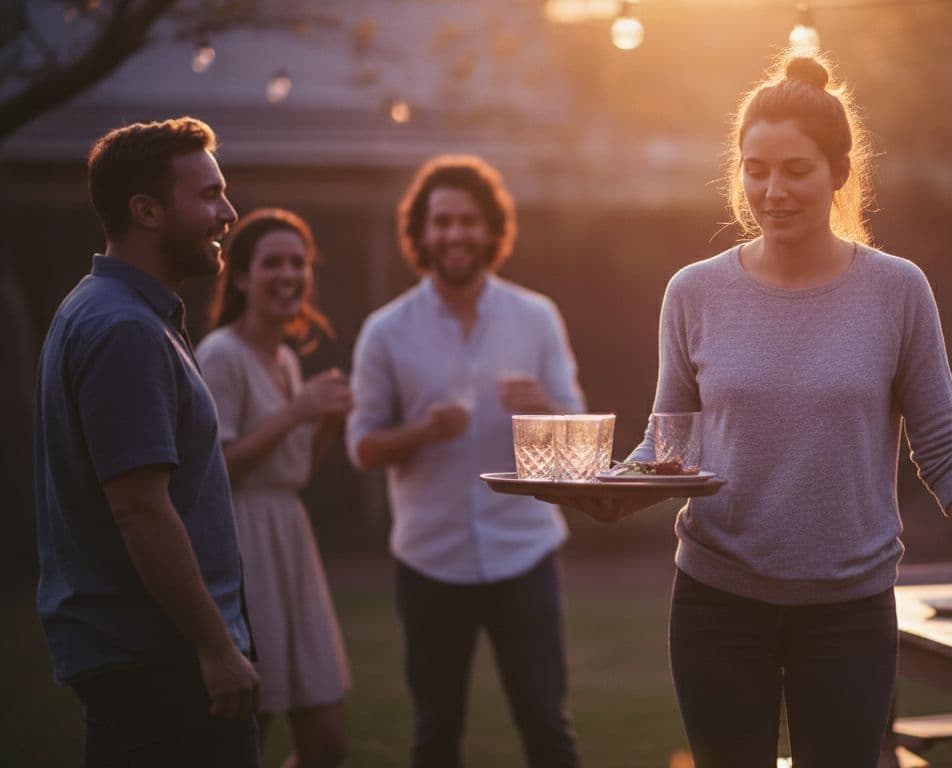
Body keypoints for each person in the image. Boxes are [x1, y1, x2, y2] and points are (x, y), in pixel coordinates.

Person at [586, 55, 952, 767]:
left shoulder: (897, 291)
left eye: (794, 169)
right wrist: (612, 490)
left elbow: (944, 443)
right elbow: (670, 442)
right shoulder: (693, 293)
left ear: (839, 172)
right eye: (754, 168)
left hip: (849, 611)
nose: (772, 190)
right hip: (718, 602)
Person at [33, 117, 261, 766]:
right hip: (160, 664)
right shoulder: (123, 329)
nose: (228, 212)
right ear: (147, 211)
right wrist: (218, 648)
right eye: (210, 195)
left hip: (147, 657)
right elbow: (139, 508)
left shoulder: (111, 310)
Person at [346, 155, 584, 768]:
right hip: (430, 559)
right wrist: (419, 433)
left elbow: (580, 439)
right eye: (442, 222)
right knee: (435, 732)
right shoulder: (386, 330)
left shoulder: (535, 316)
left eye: (469, 221)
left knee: (546, 725)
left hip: (523, 552)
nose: (455, 234)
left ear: (491, 230)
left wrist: (546, 408)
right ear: (421, 234)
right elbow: (363, 447)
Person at [197, 208, 353, 767]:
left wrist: (326, 422)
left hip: (290, 535)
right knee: (250, 728)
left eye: (299, 263)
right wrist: (297, 412)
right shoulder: (221, 355)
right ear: (240, 277)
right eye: (273, 263)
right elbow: (215, 473)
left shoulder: (287, 358)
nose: (289, 274)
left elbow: (295, 474)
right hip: (241, 543)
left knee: (326, 740)